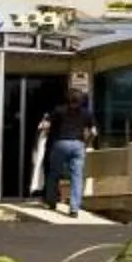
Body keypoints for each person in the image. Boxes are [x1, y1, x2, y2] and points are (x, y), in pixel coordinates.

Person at [43, 76, 96, 216]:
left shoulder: (59, 110)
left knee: (54, 173)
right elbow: (94, 132)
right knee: (76, 177)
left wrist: (48, 132)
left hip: (61, 143)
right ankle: (74, 209)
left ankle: (51, 201)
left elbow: (46, 126)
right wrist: (85, 144)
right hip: (78, 144)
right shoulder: (86, 113)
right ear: (81, 100)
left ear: (68, 99)